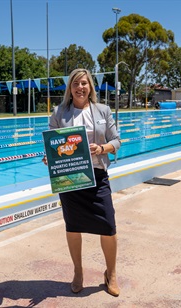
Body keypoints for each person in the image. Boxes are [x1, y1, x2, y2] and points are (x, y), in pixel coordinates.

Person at [42, 68, 121, 296]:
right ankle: (78, 272)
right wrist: (50, 156)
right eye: (76, 83)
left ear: (90, 87)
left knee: (108, 226)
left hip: (97, 176)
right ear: (70, 87)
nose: (80, 87)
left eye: (84, 83)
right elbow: (53, 142)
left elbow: (116, 141)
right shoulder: (60, 112)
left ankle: (111, 273)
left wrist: (102, 148)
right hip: (70, 178)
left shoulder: (103, 111)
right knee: (73, 226)